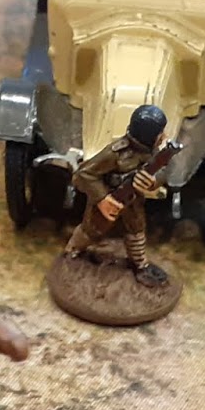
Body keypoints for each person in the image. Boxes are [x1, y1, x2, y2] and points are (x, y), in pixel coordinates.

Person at [65, 105, 175, 286]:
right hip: (110, 198)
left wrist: (152, 181)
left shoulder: (155, 153)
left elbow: (164, 171)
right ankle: (72, 252)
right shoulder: (115, 153)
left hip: (133, 201)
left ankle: (140, 264)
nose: (163, 136)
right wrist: (102, 199)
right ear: (148, 135)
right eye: (159, 133)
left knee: (136, 231)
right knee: (92, 229)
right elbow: (83, 175)